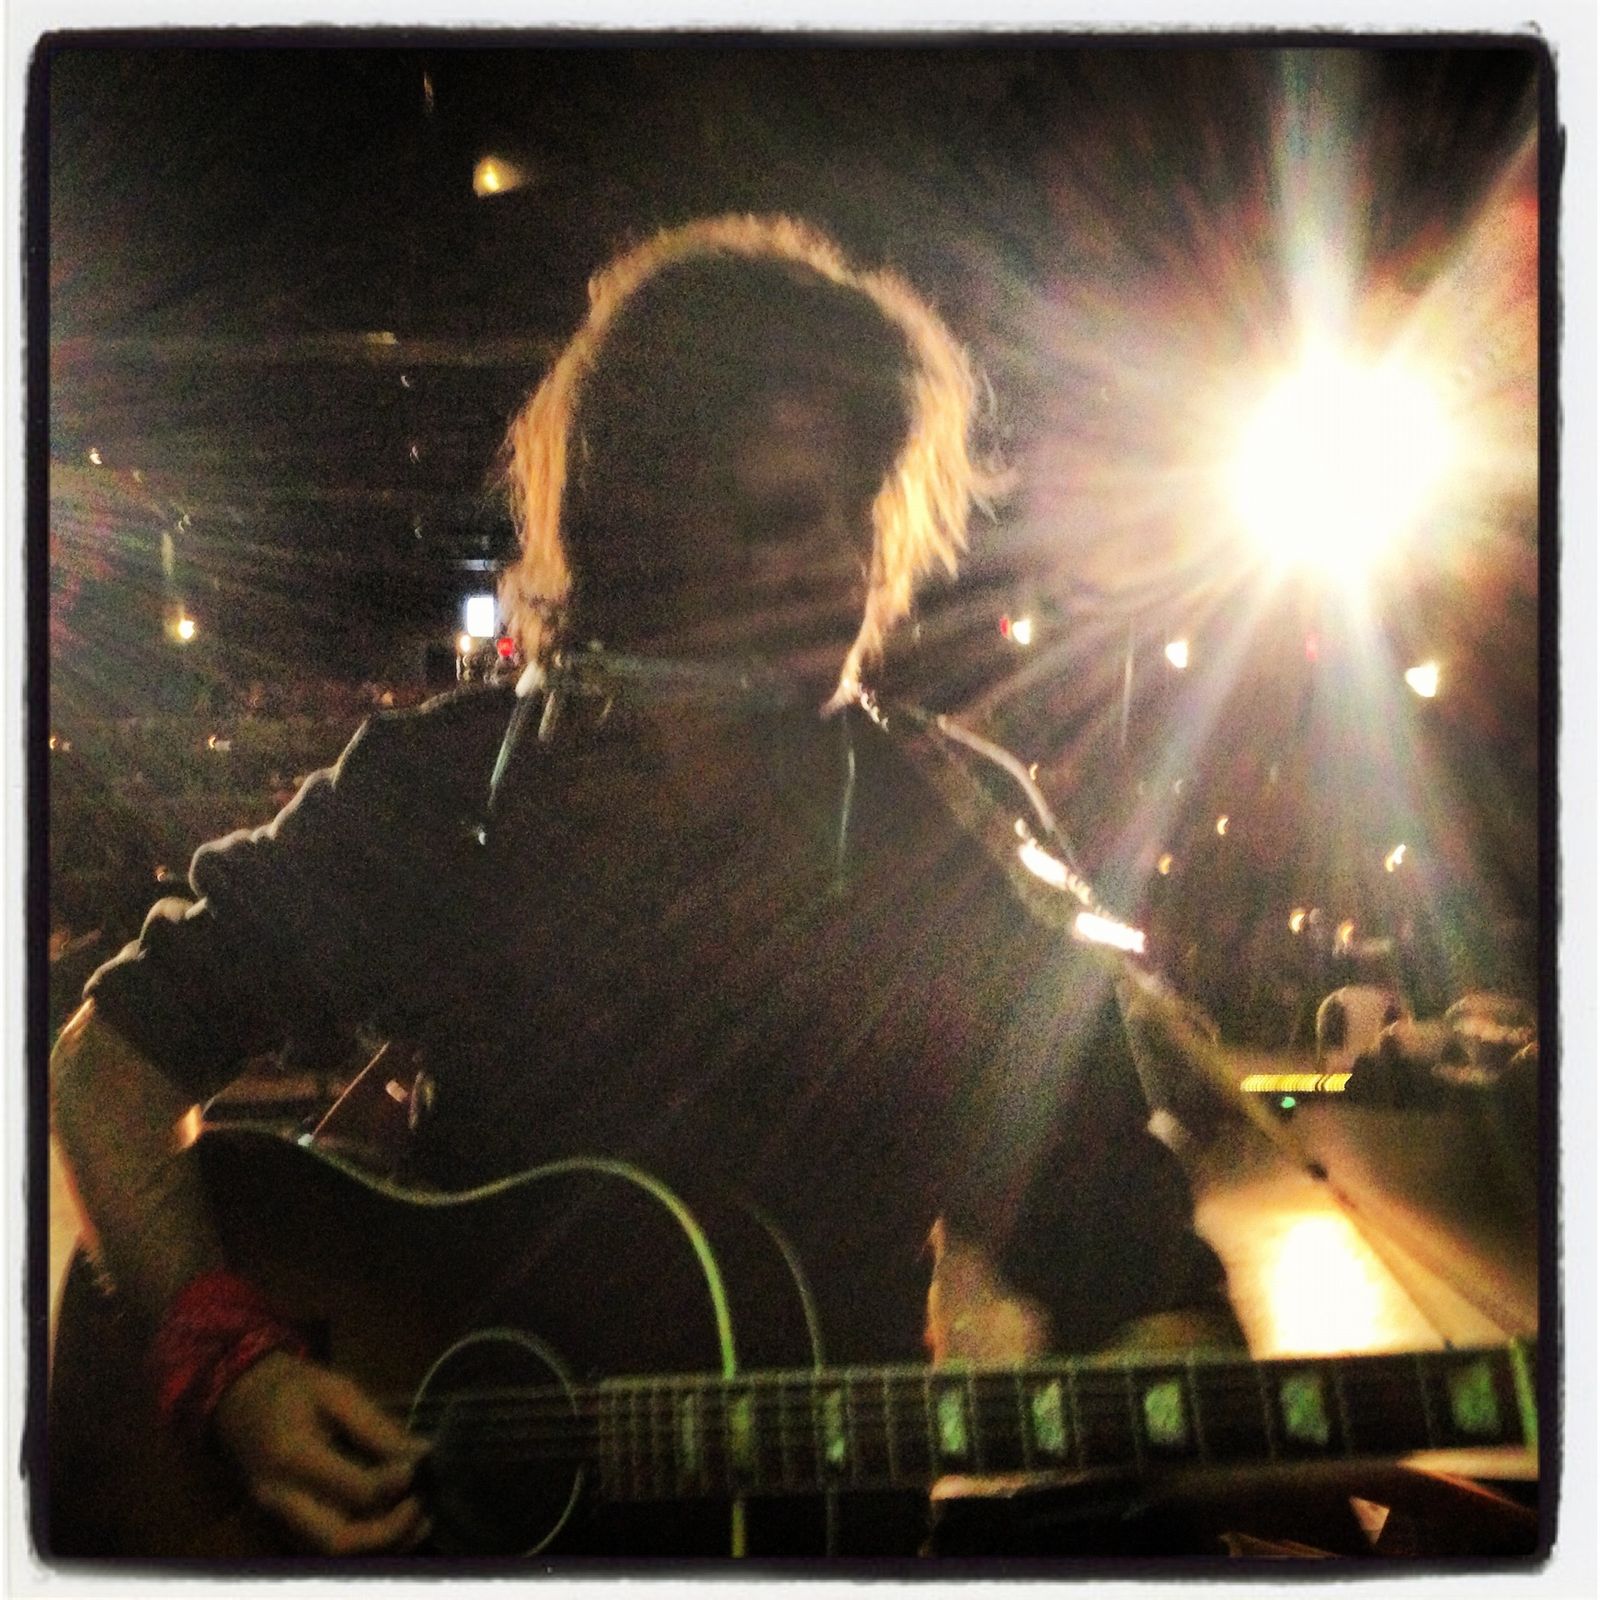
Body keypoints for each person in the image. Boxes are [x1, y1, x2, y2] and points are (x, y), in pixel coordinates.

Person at [49, 214, 1238, 1560]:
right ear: (638, 530)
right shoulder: (454, 791)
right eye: (777, 520)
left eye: (854, 511)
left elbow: (1126, 1271)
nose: (840, 565)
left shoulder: (947, 839)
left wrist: (1198, 1380)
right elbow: (108, 1066)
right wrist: (235, 1372)